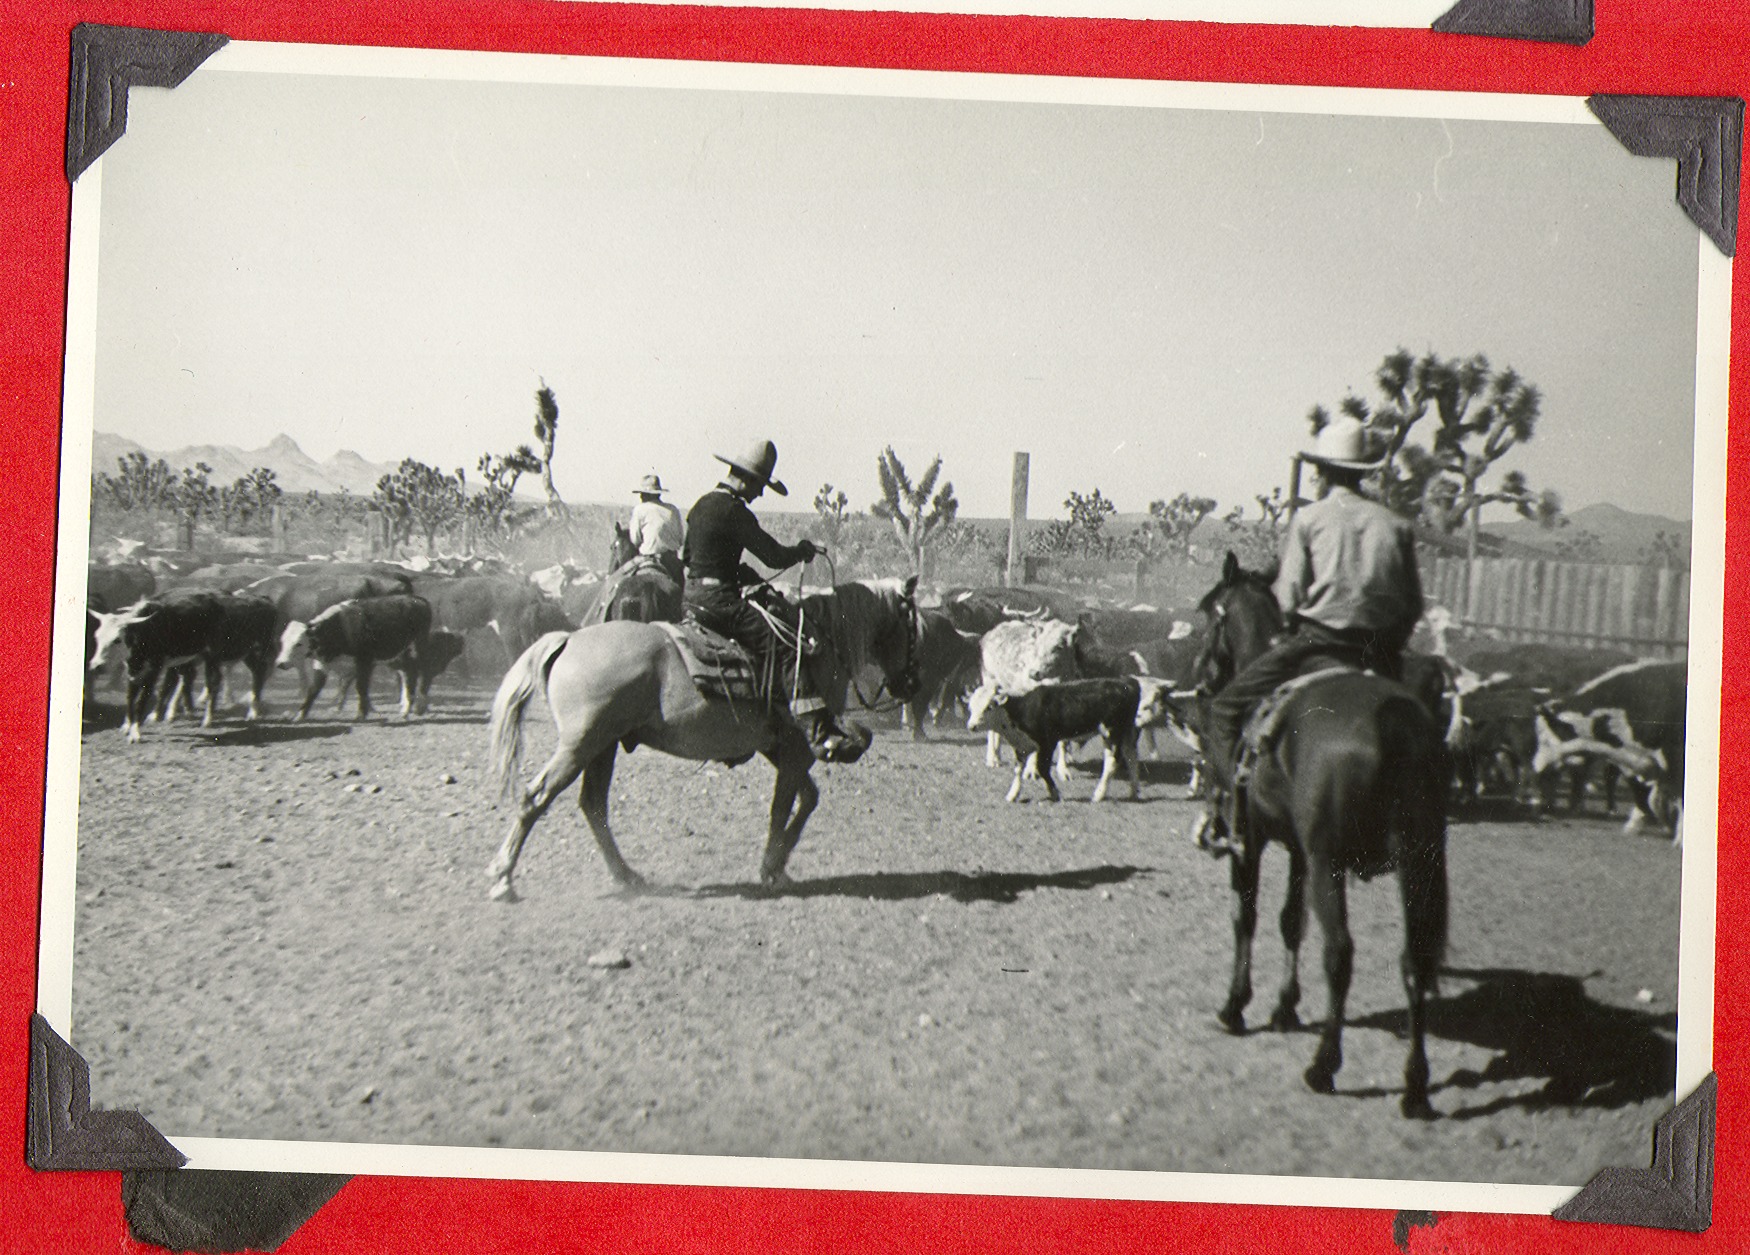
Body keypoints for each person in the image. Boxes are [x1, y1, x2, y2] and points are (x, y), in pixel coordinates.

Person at [1200, 416, 1425, 849]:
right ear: (1364, 471)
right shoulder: (1396, 525)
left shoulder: (1310, 519)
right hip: (1380, 653)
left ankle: (1236, 817)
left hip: (1317, 644)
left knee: (1225, 709)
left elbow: (1288, 600)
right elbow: (1412, 605)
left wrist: (1292, 628)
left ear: (1321, 472)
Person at [681, 439, 861, 762]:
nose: (760, 493)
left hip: (692, 599)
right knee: (787, 643)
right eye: (760, 486)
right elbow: (774, 556)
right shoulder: (736, 512)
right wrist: (802, 551)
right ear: (746, 479)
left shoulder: (700, 505)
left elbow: (689, 558)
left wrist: (735, 572)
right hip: (722, 603)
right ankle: (819, 733)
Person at [628, 473, 685, 586]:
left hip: (647, 558)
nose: (640, 497)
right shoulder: (673, 510)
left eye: (642, 494)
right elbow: (680, 539)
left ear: (646, 495)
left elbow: (635, 540)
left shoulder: (640, 509)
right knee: (682, 591)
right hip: (671, 561)